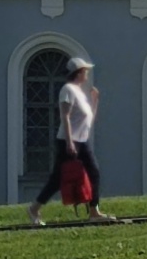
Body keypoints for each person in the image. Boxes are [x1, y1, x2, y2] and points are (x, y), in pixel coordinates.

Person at [28, 56, 115, 225]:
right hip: (69, 141)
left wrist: (95, 101)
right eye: (85, 71)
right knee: (58, 179)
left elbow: (88, 121)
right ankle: (34, 208)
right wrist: (69, 142)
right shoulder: (67, 90)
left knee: (94, 172)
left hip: (82, 141)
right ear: (79, 72)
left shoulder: (80, 93)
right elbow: (65, 116)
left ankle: (94, 211)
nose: (87, 74)